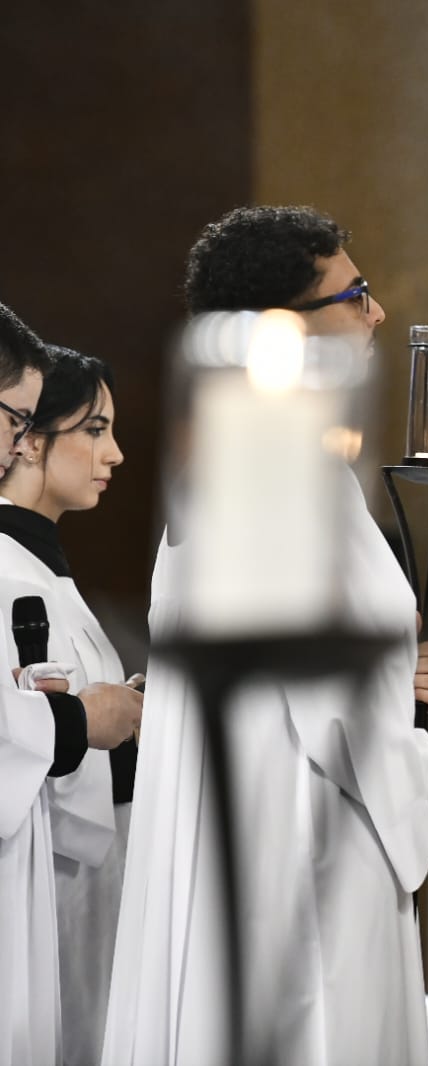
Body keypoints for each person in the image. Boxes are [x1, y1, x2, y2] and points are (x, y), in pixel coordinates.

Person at [101, 205, 428, 1064]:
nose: (377, 314)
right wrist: (419, 784)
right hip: (297, 844)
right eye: (355, 295)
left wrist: (396, 666)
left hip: (271, 822)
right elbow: (328, 706)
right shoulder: (277, 471)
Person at [0, 307, 143, 1065]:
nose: (114, 453)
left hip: (70, 891)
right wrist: (98, 725)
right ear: (29, 438)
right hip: (38, 886)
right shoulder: (6, 573)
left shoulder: (41, 570)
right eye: (94, 429)